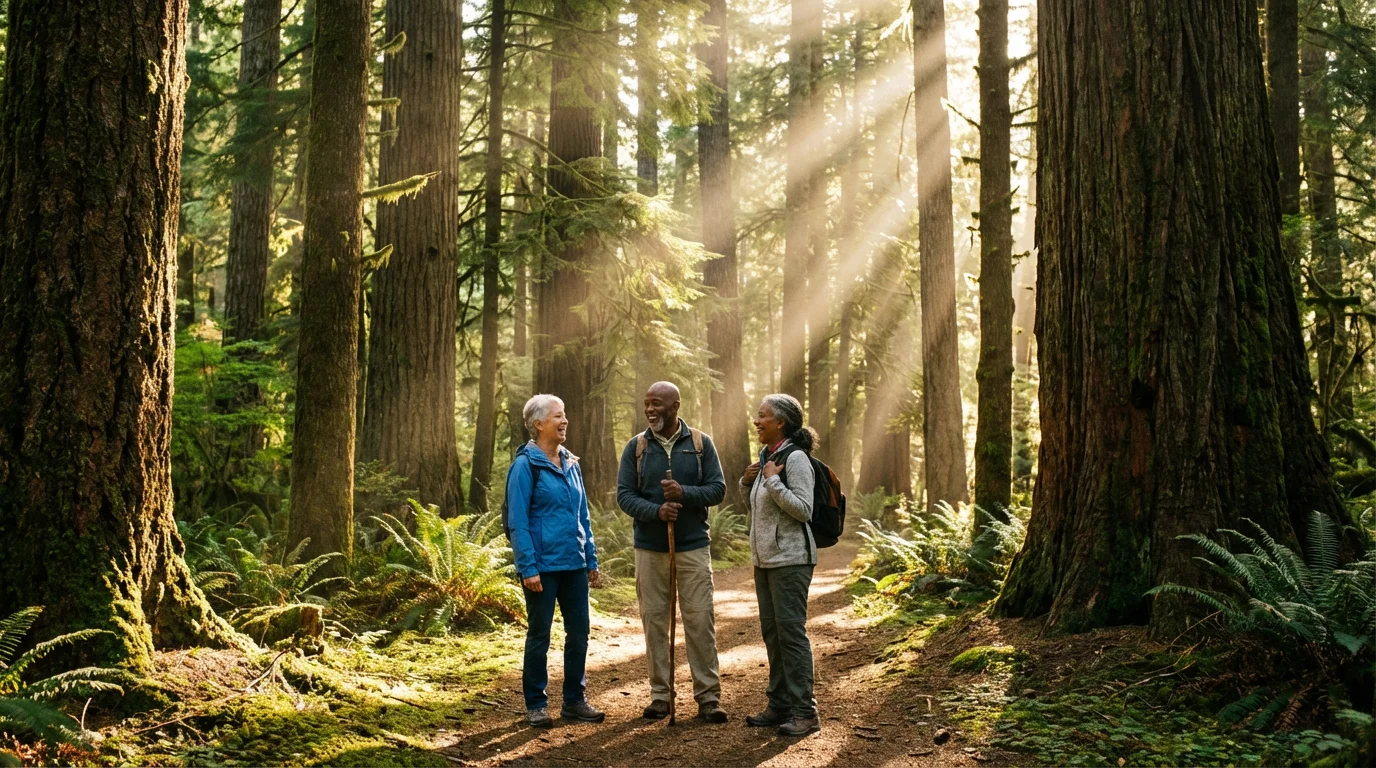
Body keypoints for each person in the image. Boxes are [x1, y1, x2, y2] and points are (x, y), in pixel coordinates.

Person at [616, 381, 729, 723]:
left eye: (657, 404)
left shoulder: (699, 444)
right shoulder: (636, 447)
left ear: (675, 406)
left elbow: (717, 489)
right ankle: (660, 695)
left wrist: (684, 494)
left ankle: (708, 697)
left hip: (693, 547)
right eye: (646, 404)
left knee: (699, 620)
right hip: (650, 549)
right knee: (654, 622)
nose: (650, 410)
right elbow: (624, 495)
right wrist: (656, 511)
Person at [505, 394, 606, 728]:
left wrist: (590, 558)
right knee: (540, 636)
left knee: (579, 634)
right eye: (558, 417)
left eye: (565, 416)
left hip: (574, 564)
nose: (565, 422)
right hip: (543, 569)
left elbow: (583, 516)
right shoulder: (525, 465)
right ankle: (536, 704)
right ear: (538, 424)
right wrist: (527, 567)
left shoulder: (571, 463)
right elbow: (517, 520)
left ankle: (574, 701)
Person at [739, 393, 820, 737]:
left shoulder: (796, 458)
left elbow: (803, 509)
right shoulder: (767, 456)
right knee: (773, 635)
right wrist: (749, 482)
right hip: (766, 561)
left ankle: (805, 712)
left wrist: (772, 480)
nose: (756, 422)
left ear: (781, 422)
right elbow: (759, 508)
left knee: (791, 635)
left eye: (762, 416)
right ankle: (779, 705)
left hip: (791, 561)